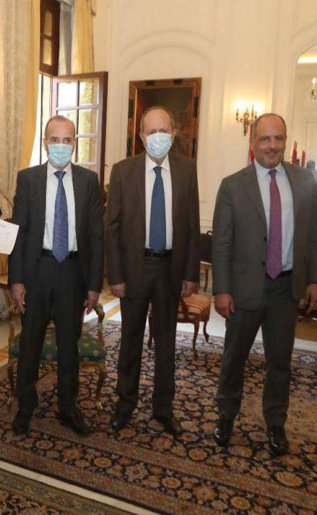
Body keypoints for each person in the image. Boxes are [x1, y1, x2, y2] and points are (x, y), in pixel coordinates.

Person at [212, 113, 317, 455]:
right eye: (265, 138)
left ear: (285, 141)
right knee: (234, 359)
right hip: (244, 290)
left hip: (285, 290)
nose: (272, 145)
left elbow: (314, 236)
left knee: (280, 363)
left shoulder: (304, 181)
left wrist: (315, 279)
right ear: (253, 142)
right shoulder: (232, 185)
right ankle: (225, 416)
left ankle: (276, 423)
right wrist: (221, 289)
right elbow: (222, 243)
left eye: (278, 138)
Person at [105, 106, 200, 436]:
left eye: (164, 131)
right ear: (142, 137)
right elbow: (111, 228)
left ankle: (163, 408)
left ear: (173, 134)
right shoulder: (123, 171)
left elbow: (192, 226)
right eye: (152, 132)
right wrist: (115, 275)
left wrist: (191, 274)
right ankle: (125, 404)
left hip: (170, 269)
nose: (158, 137)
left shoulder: (187, 170)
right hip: (135, 268)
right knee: (130, 339)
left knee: (166, 341)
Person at [9, 116, 103, 436]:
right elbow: (19, 233)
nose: (61, 145)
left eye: (67, 140)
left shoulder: (89, 181)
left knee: (68, 346)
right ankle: (25, 407)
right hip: (37, 271)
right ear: (45, 142)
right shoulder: (28, 179)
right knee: (30, 344)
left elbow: (96, 236)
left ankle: (68, 408)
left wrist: (94, 284)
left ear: (74, 143)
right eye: (54, 139)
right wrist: (17, 280)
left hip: (72, 273)